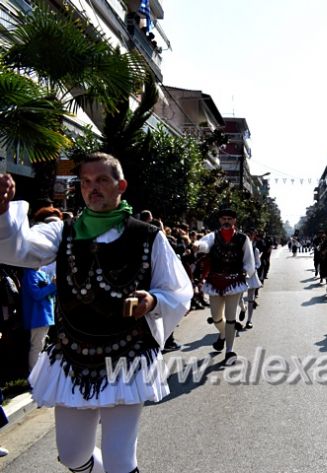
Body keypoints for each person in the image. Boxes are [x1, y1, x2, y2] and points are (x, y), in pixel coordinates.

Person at [0, 152, 192, 473]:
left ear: (121, 186)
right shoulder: (63, 232)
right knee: (72, 455)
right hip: (74, 358)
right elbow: (19, 248)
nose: (93, 188)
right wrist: (4, 213)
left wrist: (153, 301)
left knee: (120, 460)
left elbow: (178, 290)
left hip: (126, 358)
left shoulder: (148, 236)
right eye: (86, 182)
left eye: (102, 180)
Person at [195, 208, 255, 363]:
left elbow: (249, 259)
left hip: (234, 282)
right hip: (215, 281)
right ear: (220, 221)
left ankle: (229, 350)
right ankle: (223, 334)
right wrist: (197, 246)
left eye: (230, 218)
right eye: (224, 219)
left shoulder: (243, 238)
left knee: (230, 318)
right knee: (216, 318)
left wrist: (246, 272)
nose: (226, 221)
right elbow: (204, 244)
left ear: (234, 221)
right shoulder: (213, 236)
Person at [21, 265, 56, 370]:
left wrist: (54, 285)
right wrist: (53, 286)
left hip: (45, 316)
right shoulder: (30, 274)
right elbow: (36, 295)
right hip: (37, 317)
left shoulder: (41, 273)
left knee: (41, 346)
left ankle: (38, 375)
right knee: (37, 347)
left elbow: (50, 294)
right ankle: (33, 378)